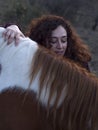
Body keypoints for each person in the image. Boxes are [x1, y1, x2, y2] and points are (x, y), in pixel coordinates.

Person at [3, 15, 91, 71]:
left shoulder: (79, 62)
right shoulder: (32, 57)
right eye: (53, 41)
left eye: (63, 40)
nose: (60, 46)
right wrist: (12, 27)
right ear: (42, 41)